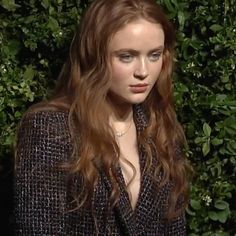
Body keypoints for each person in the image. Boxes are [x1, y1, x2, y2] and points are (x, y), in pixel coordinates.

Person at [14, 0, 192, 235]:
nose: (143, 71)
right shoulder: (50, 128)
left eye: (154, 55)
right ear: (94, 56)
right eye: (126, 56)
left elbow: (174, 226)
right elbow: (39, 228)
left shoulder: (159, 126)